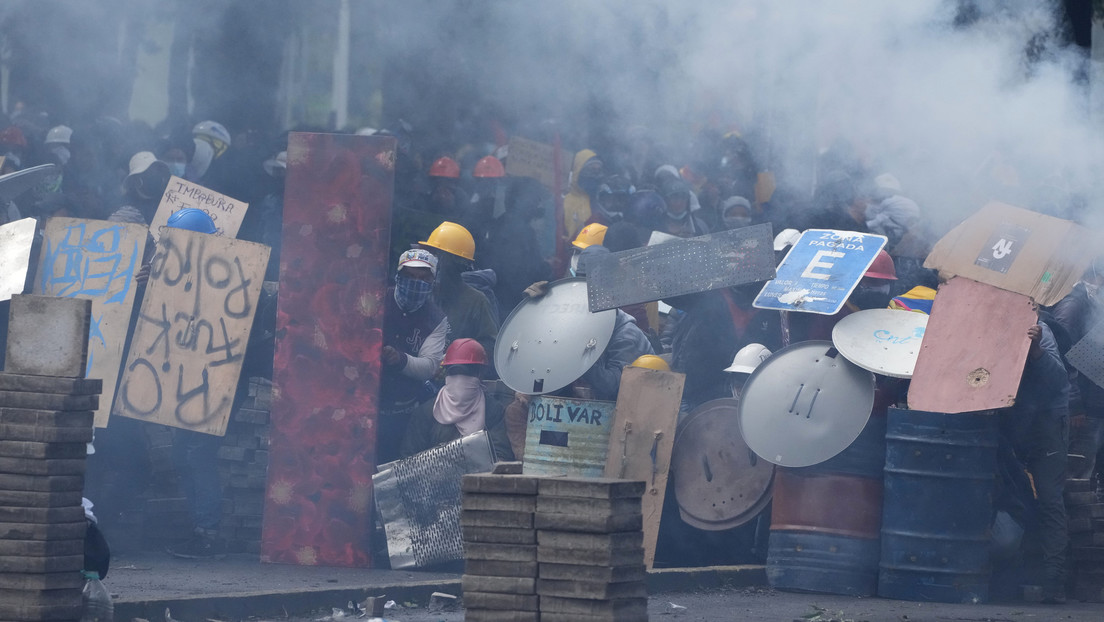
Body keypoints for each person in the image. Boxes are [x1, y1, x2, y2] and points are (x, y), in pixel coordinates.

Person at [162, 208, 226, 559]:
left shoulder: (225, 272)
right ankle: (199, 527)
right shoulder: (177, 269)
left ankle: (207, 534)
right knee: (183, 454)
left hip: (216, 381)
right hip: (190, 378)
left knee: (198, 454)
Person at [998, 321, 1071, 603]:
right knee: (1009, 494)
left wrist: (1036, 349)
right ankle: (1012, 576)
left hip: (1046, 424)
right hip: (1011, 418)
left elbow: (1058, 380)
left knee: (1049, 499)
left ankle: (1054, 581)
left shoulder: (1039, 329)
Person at [377, 249, 449, 465]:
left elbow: (429, 366)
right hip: (365, 404)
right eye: (410, 276)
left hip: (403, 411)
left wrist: (399, 359)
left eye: (423, 278)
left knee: (389, 466)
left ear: (432, 282)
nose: (416, 282)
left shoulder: (437, 319)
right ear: (398, 275)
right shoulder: (377, 299)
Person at [399, 339, 513, 461]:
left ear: (480, 375)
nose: (460, 378)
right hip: (435, 478)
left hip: (477, 477)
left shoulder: (493, 410)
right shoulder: (426, 412)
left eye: (468, 372)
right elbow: (408, 459)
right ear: (446, 374)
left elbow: (501, 454)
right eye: (454, 372)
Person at [418, 221, 498, 357]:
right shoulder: (421, 293)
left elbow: (490, 346)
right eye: (432, 254)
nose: (435, 262)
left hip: (455, 375)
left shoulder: (477, 301)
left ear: (459, 264)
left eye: (440, 256)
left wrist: (459, 356)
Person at [563, 149, 603, 243]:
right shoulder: (564, 201)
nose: (595, 175)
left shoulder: (600, 203)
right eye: (591, 169)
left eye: (598, 170)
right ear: (579, 170)